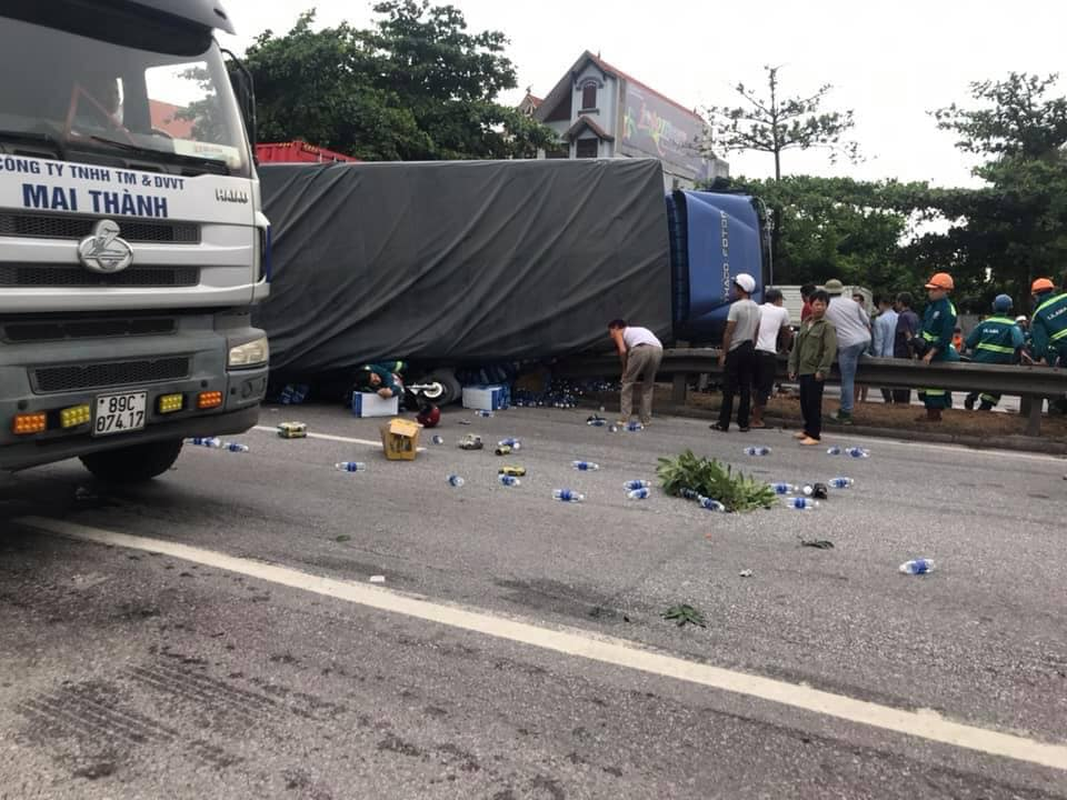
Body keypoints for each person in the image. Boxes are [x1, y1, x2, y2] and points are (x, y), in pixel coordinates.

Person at [711, 273, 761, 433]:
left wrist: (724, 353)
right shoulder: (757, 307)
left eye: (736, 287)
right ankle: (743, 422)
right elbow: (756, 332)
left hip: (735, 349)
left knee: (729, 387)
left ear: (741, 289)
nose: (734, 290)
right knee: (746, 386)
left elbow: (729, 332)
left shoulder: (736, 307)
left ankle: (723, 422)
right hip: (749, 348)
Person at [789, 290, 837, 446]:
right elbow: (797, 347)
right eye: (817, 304)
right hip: (803, 369)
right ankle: (807, 429)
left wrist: (822, 370)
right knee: (804, 401)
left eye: (823, 304)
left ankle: (814, 434)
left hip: (815, 370)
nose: (820, 307)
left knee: (813, 402)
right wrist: (792, 366)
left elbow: (830, 350)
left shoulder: (827, 326)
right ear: (810, 305)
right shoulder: (805, 323)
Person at [963, 294, 1025, 410]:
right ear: (1009, 308)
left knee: (979, 381)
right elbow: (1019, 343)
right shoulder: (1012, 325)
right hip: (1000, 365)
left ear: (993, 307)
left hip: (979, 363)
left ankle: (972, 395)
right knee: (996, 387)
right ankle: (984, 408)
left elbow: (969, 342)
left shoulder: (984, 324)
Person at [823, 279, 871, 425]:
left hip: (848, 345)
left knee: (847, 379)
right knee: (855, 358)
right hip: (865, 340)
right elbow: (866, 321)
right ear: (841, 290)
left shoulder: (826, 307)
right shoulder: (852, 303)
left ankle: (845, 413)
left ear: (826, 292)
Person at [916, 272, 960, 422]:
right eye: (930, 289)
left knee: (934, 388)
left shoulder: (948, 310)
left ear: (944, 290)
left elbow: (945, 337)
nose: (930, 292)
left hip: (937, 355)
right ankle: (930, 413)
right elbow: (924, 327)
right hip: (924, 352)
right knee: (923, 387)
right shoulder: (931, 307)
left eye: (934, 289)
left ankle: (934, 415)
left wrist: (931, 353)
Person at [608, 319, 664, 426]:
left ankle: (625, 418)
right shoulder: (639, 329)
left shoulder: (619, 332)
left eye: (611, 332)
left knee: (627, 382)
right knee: (648, 385)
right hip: (658, 349)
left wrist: (624, 369)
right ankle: (645, 419)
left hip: (641, 349)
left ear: (616, 327)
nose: (611, 336)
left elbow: (623, 350)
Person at [752, 287, 792, 428]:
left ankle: (753, 413)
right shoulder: (782, 311)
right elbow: (786, 333)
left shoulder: (757, 308)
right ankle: (756, 420)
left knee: (754, 385)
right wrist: (785, 349)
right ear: (778, 300)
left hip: (753, 351)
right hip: (768, 352)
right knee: (764, 387)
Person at [1029, 277, 1067, 367]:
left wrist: (1047, 359)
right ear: (1052, 290)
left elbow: (1042, 346)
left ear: (1035, 296)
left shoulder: (1037, 315)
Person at [892, 292, 920, 405]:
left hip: (902, 353)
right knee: (907, 384)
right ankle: (905, 404)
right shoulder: (915, 316)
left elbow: (907, 336)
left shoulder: (903, 316)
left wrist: (912, 352)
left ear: (900, 302)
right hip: (911, 354)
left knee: (899, 385)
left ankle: (899, 406)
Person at [870, 295, 899, 403]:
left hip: (885, 354)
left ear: (882, 304)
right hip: (896, 353)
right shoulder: (899, 317)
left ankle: (888, 400)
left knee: (884, 381)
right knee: (896, 381)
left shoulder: (880, 320)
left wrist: (877, 357)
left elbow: (879, 341)